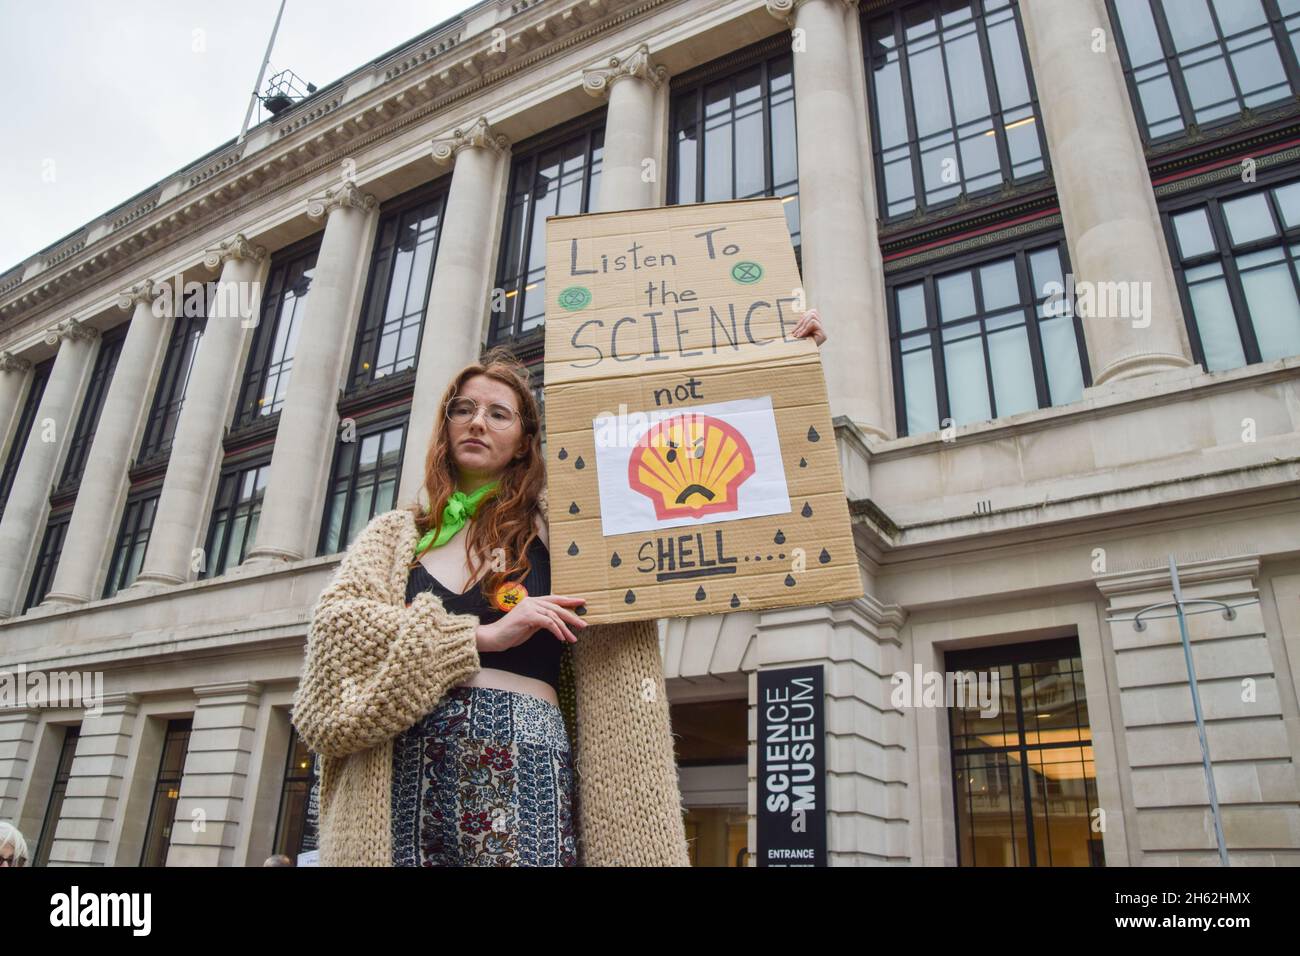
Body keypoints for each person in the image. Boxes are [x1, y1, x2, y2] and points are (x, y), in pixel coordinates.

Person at [291, 309, 826, 867]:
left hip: (523, 765)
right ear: (445, 426)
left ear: (525, 441)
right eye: (464, 409)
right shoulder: (395, 535)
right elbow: (335, 639)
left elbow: (699, 472)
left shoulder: (567, 524)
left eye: (499, 414)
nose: (477, 422)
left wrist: (778, 366)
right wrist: (482, 637)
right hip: (397, 772)